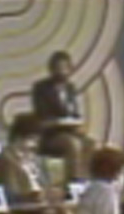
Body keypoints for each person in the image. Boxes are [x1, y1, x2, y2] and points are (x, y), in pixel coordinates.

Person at [31, 51, 95, 181]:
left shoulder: (70, 88)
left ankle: (86, 178)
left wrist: (77, 123)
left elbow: (74, 113)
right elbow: (42, 115)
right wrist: (59, 122)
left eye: (65, 68)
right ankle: (74, 180)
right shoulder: (41, 88)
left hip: (70, 131)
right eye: (59, 68)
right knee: (72, 144)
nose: (62, 72)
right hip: (51, 134)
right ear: (52, 69)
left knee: (90, 143)